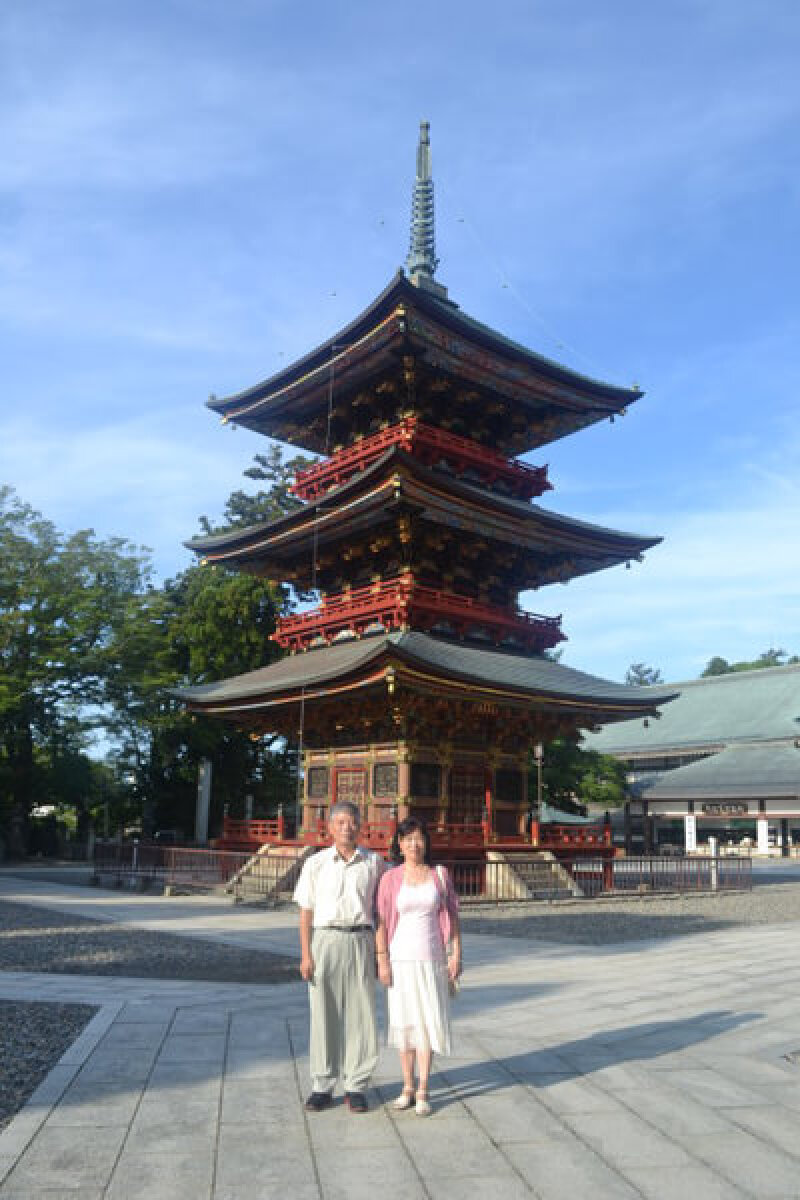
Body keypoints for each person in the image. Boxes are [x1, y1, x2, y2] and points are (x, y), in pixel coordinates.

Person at [293, 800, 384, 1114]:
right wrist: (306, 954)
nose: (347, 827)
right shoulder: (316, 864)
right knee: (323, 1013)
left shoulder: (374, 863)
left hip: (361, 938)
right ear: (330, 827)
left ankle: (356, 1084)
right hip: (326, 940)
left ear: (361, 826)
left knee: (362, 1014)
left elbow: (381, 911)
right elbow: (306, 913)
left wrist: (381, 955)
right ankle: (322, 1083)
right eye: (341, 822)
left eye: (353, 822)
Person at [375, 816, 462, 1116]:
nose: (414, 844)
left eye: (419, 838)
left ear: (426, 842)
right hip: (400, 957)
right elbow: (382, 921)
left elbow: (453, 916)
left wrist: (456, 954)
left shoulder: (439, 875)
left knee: (426, 1023)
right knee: (404, 1023)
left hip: (432, 957)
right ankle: (406, 1086)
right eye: (408, 838)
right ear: (399, 844)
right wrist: (382, 960)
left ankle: (423, 1087)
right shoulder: (389, 878)